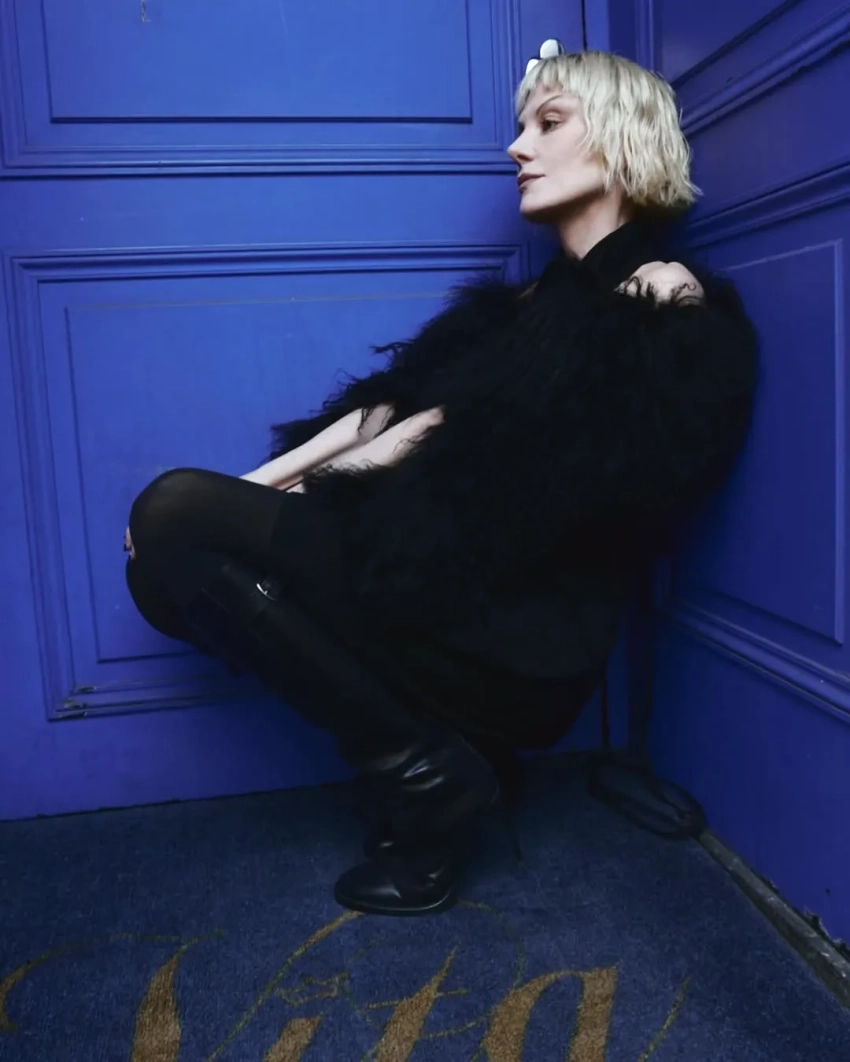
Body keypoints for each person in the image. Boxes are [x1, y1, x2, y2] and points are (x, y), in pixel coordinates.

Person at [124, 47, 758, 917]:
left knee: (174, 516)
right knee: (165, 551)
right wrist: (256, 487)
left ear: (621, 139)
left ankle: (428, 778)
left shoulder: (658, 295)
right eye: (521, 126)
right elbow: (386, 414)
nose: (516, 148)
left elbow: (521, 481)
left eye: (549, 122)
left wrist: (322, 486)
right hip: (435, 581)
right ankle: (447, 758)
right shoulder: (524, 311)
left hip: (522, 631)